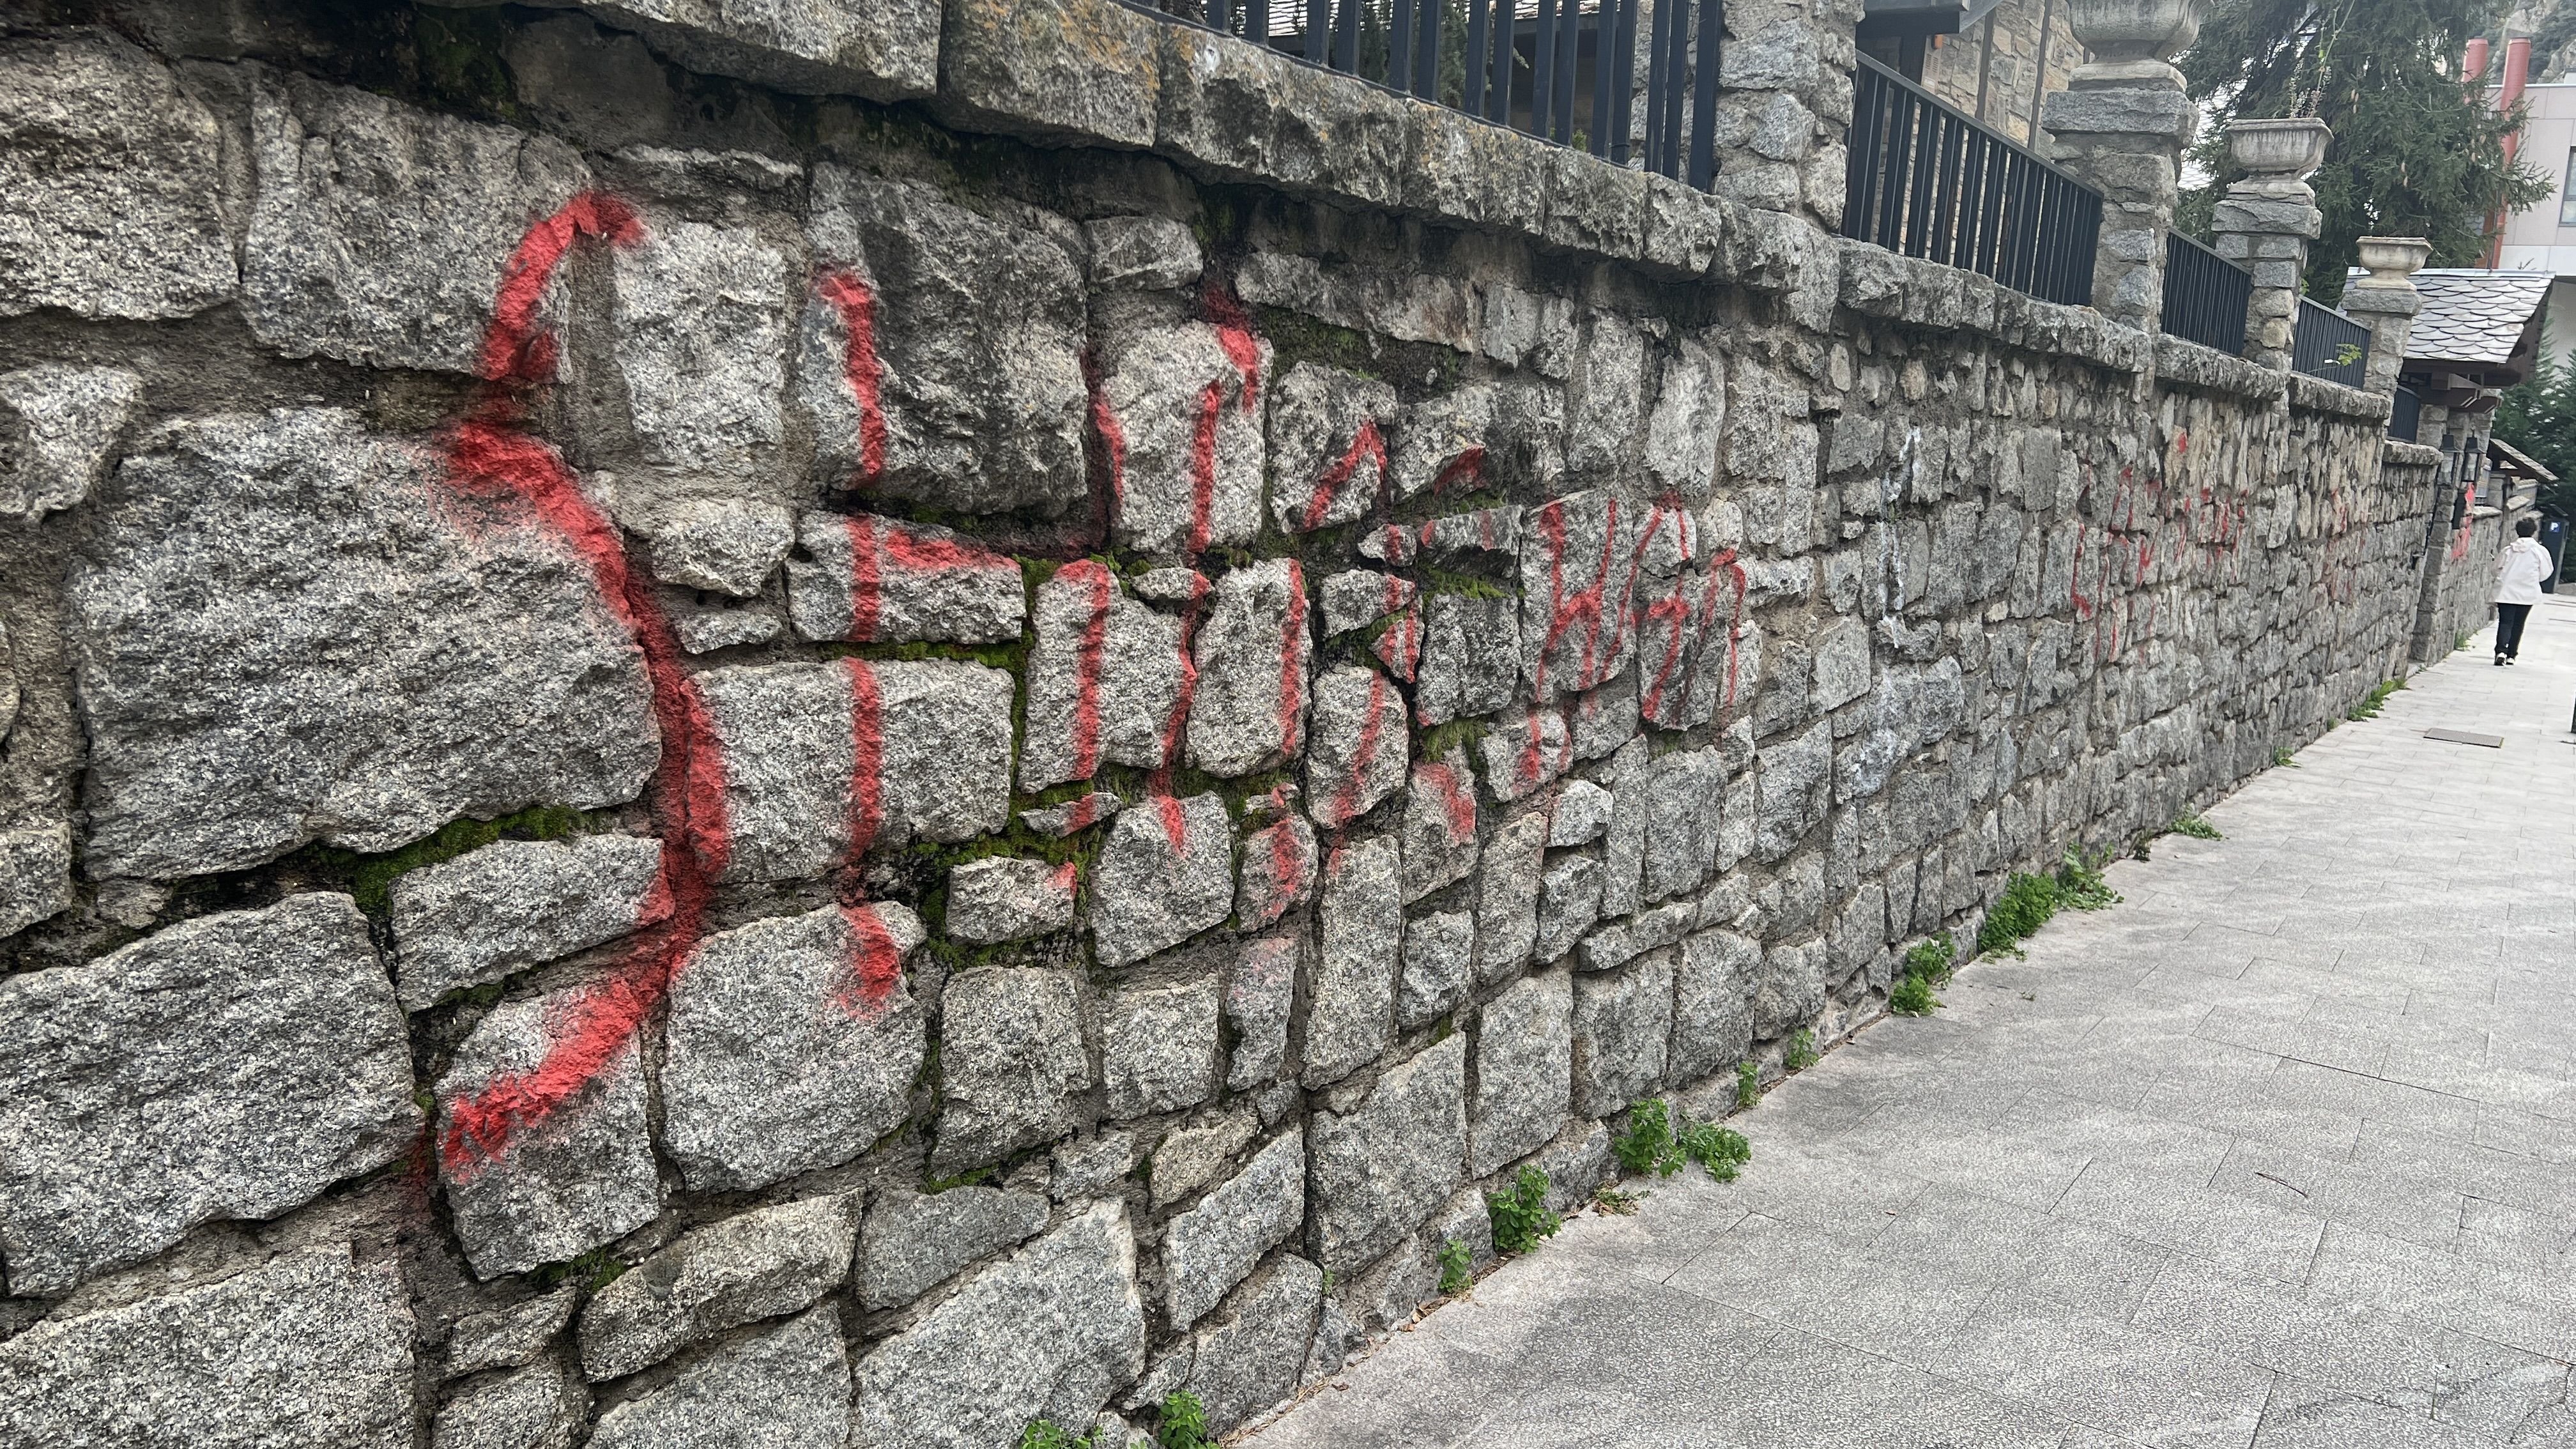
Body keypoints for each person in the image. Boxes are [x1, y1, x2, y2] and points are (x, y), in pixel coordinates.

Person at [2494, 516, 2550, 665]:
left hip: (2506, 592)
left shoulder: (2508, 550)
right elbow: (2546, 572)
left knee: (2505, 622)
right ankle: (2512, 654)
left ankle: (2501, 651)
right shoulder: (2540, 551)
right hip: (2527, 592)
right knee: (2519, 623)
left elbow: (2496, 568)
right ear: (2533, 532)